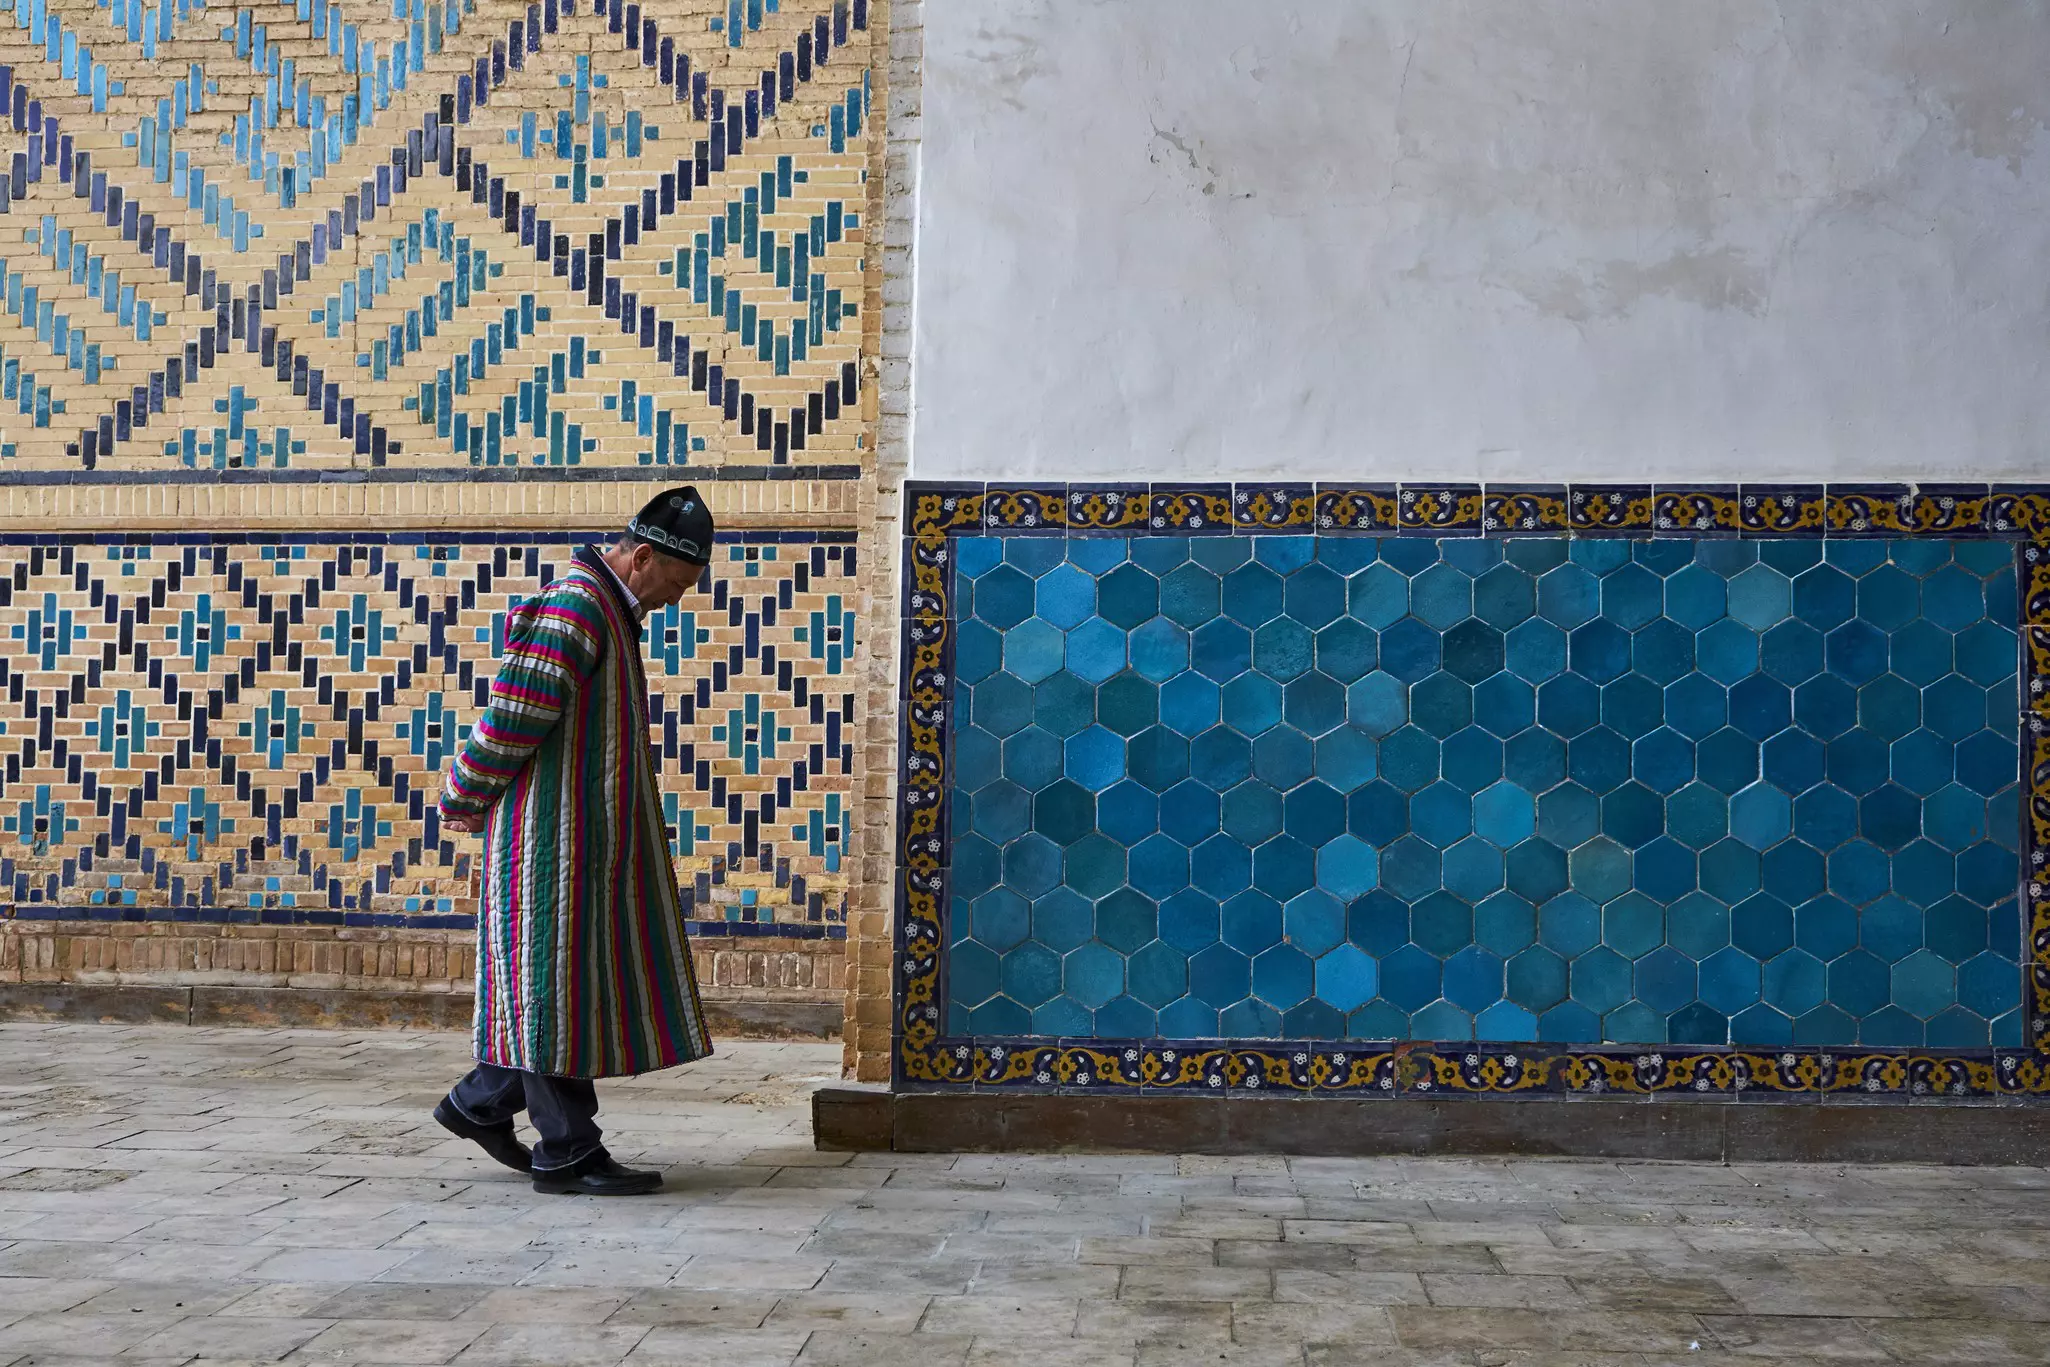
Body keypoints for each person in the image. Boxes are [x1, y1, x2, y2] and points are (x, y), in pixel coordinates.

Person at [431, 487, 716, 1195]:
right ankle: (568, 1150)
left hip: (577, 840)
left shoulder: (605, 607)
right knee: (553, 989)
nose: (676, 601)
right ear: (642, 555)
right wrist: (464, 795)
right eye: (676, 584)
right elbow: (515, 711)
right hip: (546, 842)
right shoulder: (579, 605)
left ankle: (479, 1102)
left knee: (559, 988)